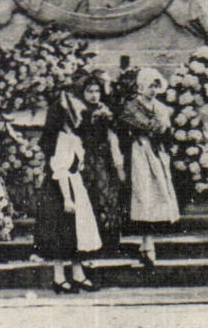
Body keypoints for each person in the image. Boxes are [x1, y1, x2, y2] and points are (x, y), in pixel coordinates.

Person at [34, 92, 103, 293]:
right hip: (62, 188)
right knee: (62, 233)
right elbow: (61, 169)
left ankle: (78, 273)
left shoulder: (72, 137)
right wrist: (67, 198)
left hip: (74, 184)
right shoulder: (62, 139)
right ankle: (59, 277)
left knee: (76, 234)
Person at [120, 68, 180, 267]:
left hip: (156, 154)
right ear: (140, 86)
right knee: (142, 194)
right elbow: (141, 126)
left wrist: (162, 133)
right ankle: (146, 243)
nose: (153, 90)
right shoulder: (131, 107)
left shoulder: (161, 108)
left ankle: (148, 243)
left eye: (156, 86)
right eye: (149, 86)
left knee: (157, 195)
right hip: (138, 153)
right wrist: (155, 127)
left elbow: (165, 131)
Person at [75, 75, 125, 259]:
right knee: (90, 199)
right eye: (90, 91)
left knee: (108, 198)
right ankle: (90, 246)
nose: (94, 95)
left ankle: (109, 244)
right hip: (86, 161)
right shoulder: (78, 113)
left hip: (104, 161)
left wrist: (118, 165)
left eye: (97, 91)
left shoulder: (106, 112)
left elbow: (113, 140)